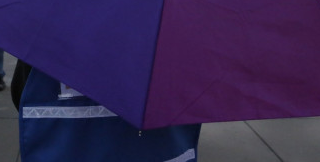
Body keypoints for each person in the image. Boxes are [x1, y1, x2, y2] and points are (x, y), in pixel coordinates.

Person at [11, 60, 201, 161]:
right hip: (162, 150)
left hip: (69, 150)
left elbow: (22, 94)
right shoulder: (183, 23)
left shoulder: (50, 19)